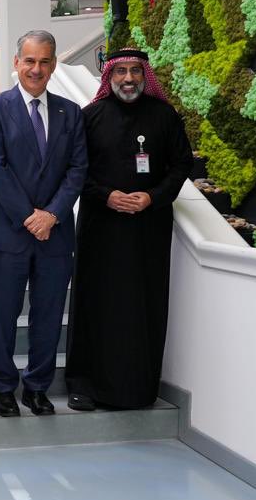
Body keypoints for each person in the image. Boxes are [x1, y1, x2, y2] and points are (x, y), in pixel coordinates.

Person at [66, 48, 192, 411]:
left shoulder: (164, 116)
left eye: (135, 71)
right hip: (100, 227)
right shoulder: (90, 116)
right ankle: (84, 385)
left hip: (148, 229)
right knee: (96, 302)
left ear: (144, 75)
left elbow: (181, 164)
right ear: (109, 76)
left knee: (142, 305)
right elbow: (75, 169)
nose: (128, 78)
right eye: (120, 71)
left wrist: (152, 197)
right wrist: (106, 196)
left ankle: (138, 388)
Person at [0, 30, 87, 418]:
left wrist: (52, 214)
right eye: (29, 61)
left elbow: (78, 169)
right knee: (3, 315)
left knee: (49, 315)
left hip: (55, 235)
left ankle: (37, 387)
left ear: (54, 65)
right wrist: (28, 216)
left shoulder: (71, 112)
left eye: (43, 61)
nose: (36, 69)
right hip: (11, 233)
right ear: (16, 63)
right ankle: (3, 387)